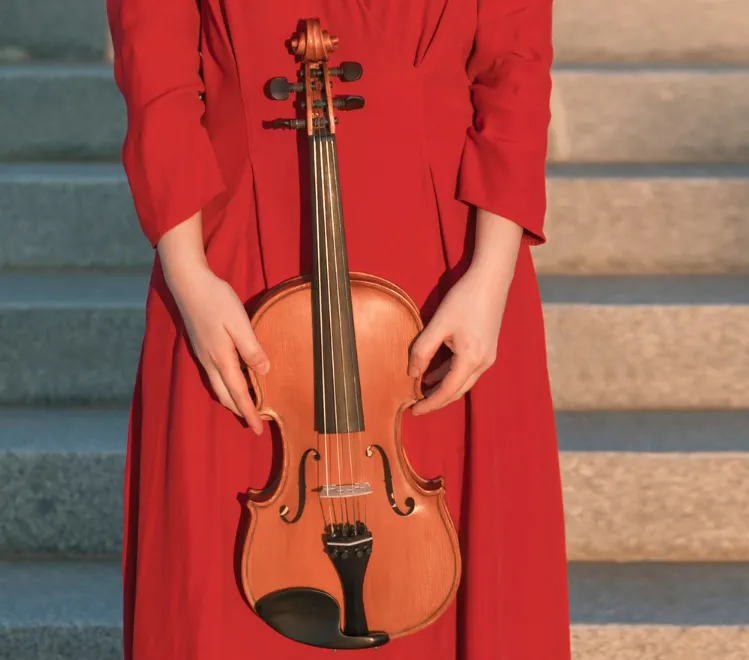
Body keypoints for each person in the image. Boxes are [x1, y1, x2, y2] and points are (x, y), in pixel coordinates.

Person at [105, 0, 571, 658]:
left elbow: (515, 68)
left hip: (450, 267)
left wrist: (490, 278)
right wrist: (190, 278)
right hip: (232, 270)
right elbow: (157, 79)